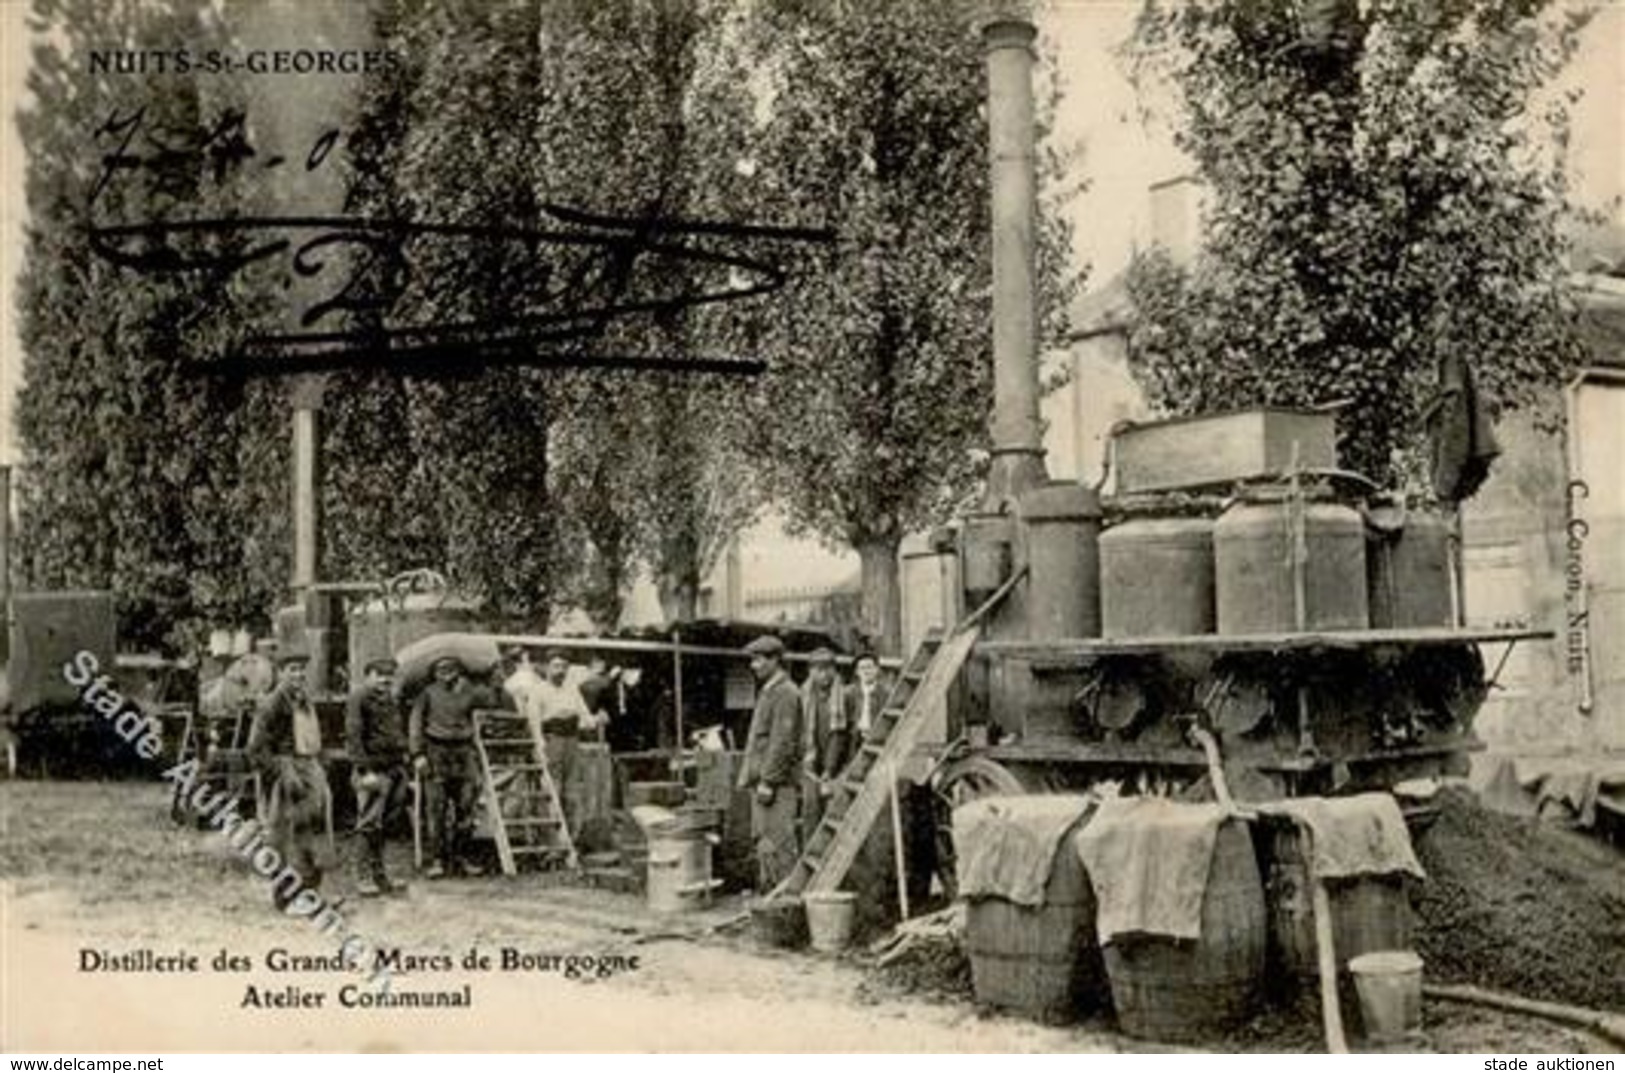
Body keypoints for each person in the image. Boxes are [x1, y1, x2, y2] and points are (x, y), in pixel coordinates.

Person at [247, 652, 334, 911]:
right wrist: (282, 773)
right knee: (288, 837)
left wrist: (320, 766)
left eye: (302, 670)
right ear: (281, 671)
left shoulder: (304, 700)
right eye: (292, 669)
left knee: (311, 833)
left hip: (309, 768)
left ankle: (310, 893)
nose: (298, 675)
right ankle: (286, 897)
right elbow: (256, 749)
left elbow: (315, 738)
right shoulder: (272, 703)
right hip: (289, 774)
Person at [409, 656, 495, 879]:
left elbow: (493, 699)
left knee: (466, 806)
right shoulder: (427, 693)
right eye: (441, 669)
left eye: (451, 669)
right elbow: (415, 724)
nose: (446, 673)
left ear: (459, 671)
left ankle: (461, 857)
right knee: (436, 809)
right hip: (436, 752)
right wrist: (418, 754)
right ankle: (437, 860)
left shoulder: (469, 692)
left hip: (463, 753)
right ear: (434, 673)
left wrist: (490, 676)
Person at [737, 635, 803, 892]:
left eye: (758, 659)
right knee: (765, 843)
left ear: (775, 660)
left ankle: (787, 903)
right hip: (764, 783)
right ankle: (771, 900)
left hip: (776, 785)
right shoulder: (771, 691)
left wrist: (768, 780)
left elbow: (781, 742)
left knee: (780, 844)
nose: (753, 665)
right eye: (753, 659)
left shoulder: (786, 693)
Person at [345, 657, 408, 897]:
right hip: (373, 770)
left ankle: (380, 875)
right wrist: (364, 770)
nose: (385, 679)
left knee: (386, 824)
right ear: (367, 675)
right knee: (369, 823)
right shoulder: (358, 697)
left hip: (393, 768)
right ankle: (362, 876)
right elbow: (354, 735)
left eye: (389, 675)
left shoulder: (389, 699)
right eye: (379, 674)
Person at [523, 650, 596, 835]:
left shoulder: (572, 689)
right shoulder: (538, 690)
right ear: (547, 667)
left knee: (572, 790)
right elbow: (534, 721)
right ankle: (551, 837)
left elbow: (585, 716)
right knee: (552, 788)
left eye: (564, 667)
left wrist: (593, 720)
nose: (560, 670)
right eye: (556, 666)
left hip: (572, 740)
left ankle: (571, 836)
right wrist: (540, 745)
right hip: (552, 740)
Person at [800, 648, 847, 839]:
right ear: (811, 671)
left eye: (828, 669)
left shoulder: (844, 695)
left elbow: (842, 735)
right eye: (819, 669)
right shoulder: (802, 696)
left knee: (835, 811)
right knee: (810, 809)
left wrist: (830, 769)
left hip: (837, 763)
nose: (824, 674)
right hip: (810, 764)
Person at [843, 653, 886, 745]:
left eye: (869, 667)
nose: (866, 671)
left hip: (878, 739)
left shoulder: (885, 693)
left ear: (877, 669)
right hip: (855, 740)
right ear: (857, 672)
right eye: (862, 668)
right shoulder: (848, 693)